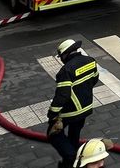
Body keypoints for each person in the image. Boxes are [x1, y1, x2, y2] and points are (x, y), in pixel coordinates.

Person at [47, 39, 99, 168]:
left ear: (65, 54)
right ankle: (76, 160)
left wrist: (52, 113)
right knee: (74, 133)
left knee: (53, 134)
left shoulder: (66, 70)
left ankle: (71, 159)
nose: (61, 59)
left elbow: (62, 95)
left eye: (61, 57)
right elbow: (95, 79)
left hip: (71, 111)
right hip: (86, 107)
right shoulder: (91, 61)